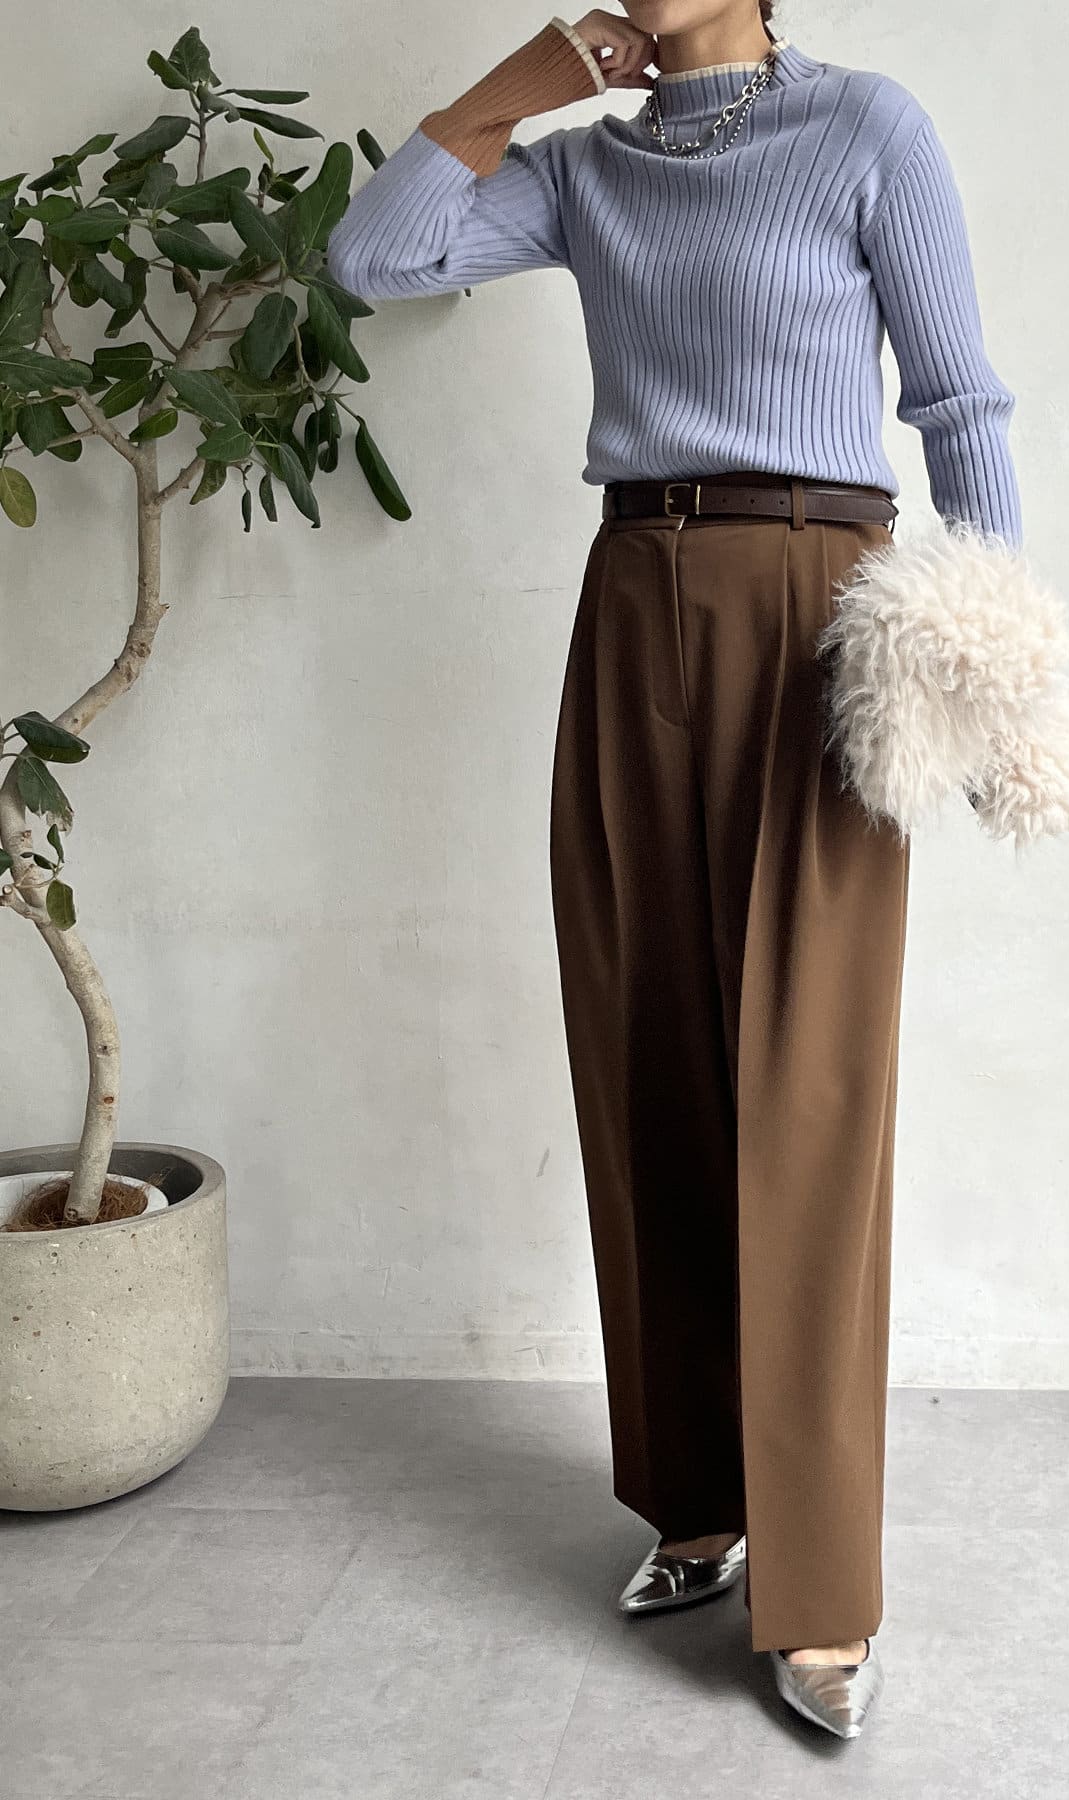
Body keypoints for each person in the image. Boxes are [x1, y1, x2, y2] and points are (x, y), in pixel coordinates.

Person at [327, 0, 1033, 1742]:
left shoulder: (866, 128)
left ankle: (824, 1584)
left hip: (823, 606)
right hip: (631, 599)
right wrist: (526, 86)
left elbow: (959, 400)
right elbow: (372, 258)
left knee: (806, 1081)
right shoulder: (591, 173)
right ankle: (696, 1505)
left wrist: (991, 662)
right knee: (645, 1048)